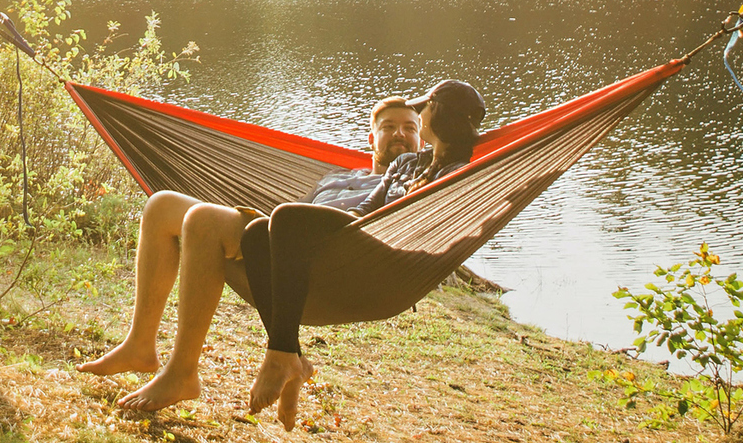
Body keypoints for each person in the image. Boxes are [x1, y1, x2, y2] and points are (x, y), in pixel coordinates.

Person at [76, 96, 424, 412]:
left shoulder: (410, 181)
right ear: (370, 139)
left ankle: (182, 373)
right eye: (389, 127)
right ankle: (140, 345)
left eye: (410, 128)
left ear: (422, 142)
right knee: (161, 206)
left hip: (337, 267)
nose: (399, 134)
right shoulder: (335, 177)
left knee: (203, 221)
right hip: (281, 246)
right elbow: (295, 213)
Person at [241, 79, 485, 429]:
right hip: (364, 234)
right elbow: (370, 205)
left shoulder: (458, 172)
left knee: (286, 216)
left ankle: (280, 356)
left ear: (439, 117)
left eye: (425, 109)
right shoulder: (407, 163)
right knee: (254, 235)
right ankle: (290, 356)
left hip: (390, 256)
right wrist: (336, 226)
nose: (420, 115)